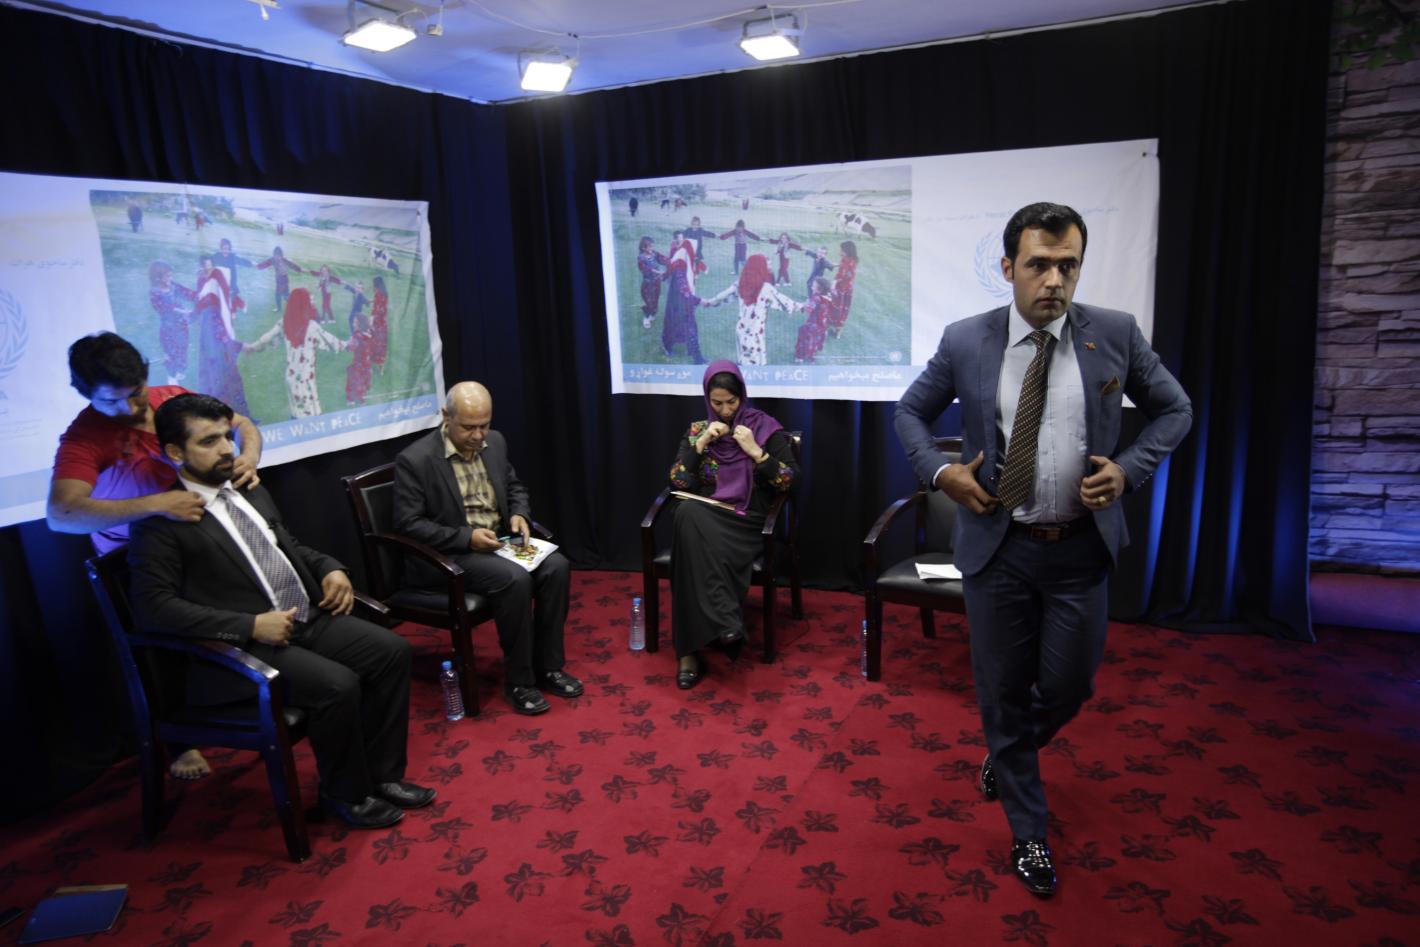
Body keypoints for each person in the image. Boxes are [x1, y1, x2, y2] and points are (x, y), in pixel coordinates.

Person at [894, 202, 1192, 897]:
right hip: (998, 547)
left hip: (1079, 550)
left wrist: (1130, 469)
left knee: (1069, 686)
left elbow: (1175, 409)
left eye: (1068, 265)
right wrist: (939, 472)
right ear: (1009, 268)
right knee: (1000, 691)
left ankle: (1008, 750)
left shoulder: (1114, 333)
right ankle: (1029, 830)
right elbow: (909, 411)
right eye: (1039, 264)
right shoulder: (966, 339)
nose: (1054, 279)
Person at [128, 393, 432, 828]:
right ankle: (345, 795)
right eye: (209, 441)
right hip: (241, 647)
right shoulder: (160, 523)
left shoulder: (248, 487)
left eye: (227, 437)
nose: (227, 449)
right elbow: (154, 610)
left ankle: (383, 776)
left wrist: (330, 568)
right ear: (175, 453)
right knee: (337, 685)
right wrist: (249, 625)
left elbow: (290, 547)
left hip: (301, 618)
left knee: (391, 652)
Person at [48, 333, 262, 781]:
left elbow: (242, 424)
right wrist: (155, 504)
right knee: (164, 646)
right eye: (112, 401)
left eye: (137, 393)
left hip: (202, 537)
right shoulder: (85, 438)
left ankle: (253, 701)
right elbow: (62, 514)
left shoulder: (172, 398)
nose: (130, 408)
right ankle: (180, 742)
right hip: (137, 555)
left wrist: (249, 457)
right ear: (84, 393)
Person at [392, 382, 583, 716]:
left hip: (498, 543)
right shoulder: (416, 460)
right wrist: (466, 537)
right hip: (451, 554)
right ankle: (519, 681)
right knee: (514, 580)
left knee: (557, 566)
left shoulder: (495, 442)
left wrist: (520, 514)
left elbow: (514, 487)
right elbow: (409, 525)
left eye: (485, 425)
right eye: (469, 427)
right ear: (446, 417)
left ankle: (548, 666)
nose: (479, 435)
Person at [666, 362, 798, 689]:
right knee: (687, 514)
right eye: (717, 403)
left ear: (742, 396)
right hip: (706, 516)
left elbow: (788, 481)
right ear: (707, 399)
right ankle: (724, 625)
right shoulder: (698, 430)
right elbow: (678, 481)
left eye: (731, 402)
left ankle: (689, 652)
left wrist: (756, 452)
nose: (725, 411)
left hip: (747, 520)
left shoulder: (764, 428)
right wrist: (700, 445)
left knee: (687, 532)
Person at [245, 288, 347, 418]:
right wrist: (349, 344)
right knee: (311, 416)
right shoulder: (312, 327)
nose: (313, 303)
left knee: (296, 412)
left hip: (291, 378)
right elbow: (332, 342)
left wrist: (252, 347)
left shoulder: (285, 322)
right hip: (305, 379)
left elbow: (267, 339)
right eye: (310, 301)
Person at [702, 254, 800, 366]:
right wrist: (801, 307)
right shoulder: (765, 288)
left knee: (744, 360)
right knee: (754, 364)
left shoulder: (741, 283)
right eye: (766, 265)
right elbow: (784, 302)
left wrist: (710, 302)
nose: (769, 267)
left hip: (742, 330)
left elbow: (723, 296)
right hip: (755, 332)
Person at [193, 257, 254, 419]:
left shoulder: (209, 306)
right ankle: (235, 419)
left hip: (216, 360)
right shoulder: (212, 310)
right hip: (220, 361)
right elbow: (220, 339)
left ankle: (233, 417)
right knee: (227, 388)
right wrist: (241, 346)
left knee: (223, 388)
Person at [148, 261, 196, 385]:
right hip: (168, 328)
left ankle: (179, 371)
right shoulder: (155, 292)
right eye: (168, 276)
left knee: (182, 349)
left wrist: (200, 296)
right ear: (158, 277)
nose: (170, 278)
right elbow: (164, 308)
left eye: (171, 275)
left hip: (182, 325)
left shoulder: (173, 285)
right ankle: (172, 377)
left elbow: (187, 293)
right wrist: (182, 311)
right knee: (171, 352)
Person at [661, 233, 706, 363]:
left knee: (689, 327)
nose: (695, 255)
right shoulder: (680, 264)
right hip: (678, 305)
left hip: (683, 303)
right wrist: (699, 301)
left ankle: (696, 355)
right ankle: (668, 346)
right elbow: (684, 291)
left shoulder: (684, 261)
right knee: (677, 326)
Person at [793, 277, 834, 364]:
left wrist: (801, 305)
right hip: (822, 324)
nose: (812, 286)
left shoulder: (815, 298)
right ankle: (811, 354)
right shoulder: (828, 297)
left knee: (804, 337)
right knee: (814, 339)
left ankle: (800, 357)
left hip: (813, 324)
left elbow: (808, 309)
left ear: (819, 289)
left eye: (814, 285)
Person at [255, 246, 303, 313]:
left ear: (281, 255)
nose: (277, 257)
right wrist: (258, 266)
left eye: (278, 255)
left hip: (284, 279)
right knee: (278, 295)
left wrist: (299, 269)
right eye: (275, 255)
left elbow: (294, 266)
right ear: (274, 255)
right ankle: (279, 308)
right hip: (278, 279)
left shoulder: (285, 260)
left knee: (285, 296)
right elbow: (265, 264)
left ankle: (295, 306)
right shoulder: (272, 260)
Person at [827, 240, 859, 339]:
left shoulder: (850, 262)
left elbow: (847, 276)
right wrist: (837, 265)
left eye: (841, 249)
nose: (839, 251)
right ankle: (833, 326)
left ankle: (836, 330)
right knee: (836, 306)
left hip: (843, 289)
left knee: (839, 309)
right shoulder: (846, 259)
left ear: (846, 251)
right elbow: (843, 269)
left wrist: (835, 282)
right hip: (841, 287)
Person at [636, 236, 668, 330]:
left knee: (655, 301)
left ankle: (652, 314)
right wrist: (658, 272)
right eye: (649, 247)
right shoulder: (641, 258)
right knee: (649, 302)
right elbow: (645, 269)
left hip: (656, 283)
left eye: (652, 246)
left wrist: (673, 261)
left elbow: (663, 259)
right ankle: (646, 319)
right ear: (643, 248)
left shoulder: (654, 254)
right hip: (647, 284)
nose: (652, 248)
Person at [370, 275, 390, 376]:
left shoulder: (378, 294)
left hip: (377, 324)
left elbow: (376, 310)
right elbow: (382, 308)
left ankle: (370, 366)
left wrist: (371, 321)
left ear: (376, 285)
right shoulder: (385, 294)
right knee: (381, 346)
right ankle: (381, 369)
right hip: (383, 325)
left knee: (373, 344)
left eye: (373, 284)